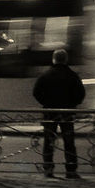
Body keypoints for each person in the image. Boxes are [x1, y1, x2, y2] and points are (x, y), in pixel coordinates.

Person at [32, 48, 86, 179]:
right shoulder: (72, 75)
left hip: (50, 112)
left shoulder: (45, 75)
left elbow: (36, 92)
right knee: (69, 142)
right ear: (66, 60)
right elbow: (81, 94)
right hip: (67, 113)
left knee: (49, 141)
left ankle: (48, 169)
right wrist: (73, 104)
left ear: (53, 59)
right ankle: (71, 170)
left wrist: (46, 102)